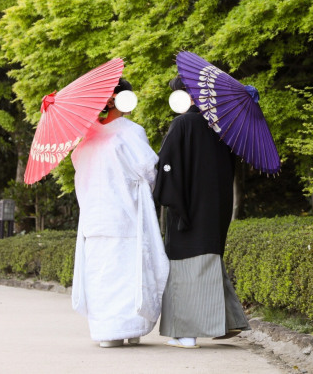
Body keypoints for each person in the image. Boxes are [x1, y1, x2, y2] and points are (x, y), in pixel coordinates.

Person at [152, 76, 251, 349]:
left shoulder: (183, 124)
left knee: (187, 268)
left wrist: (164, 191)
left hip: (189, 209)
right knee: (209, 260)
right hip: (215, 209)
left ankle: (186, 333)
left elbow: (167, 166)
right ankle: (229, 320)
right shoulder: (223, 126)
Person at [70, 78, 169, 348]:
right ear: (116, 99)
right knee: (129, 272)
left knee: (100, 273)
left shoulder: (86, 136)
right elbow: (148, 169)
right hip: (125, 213)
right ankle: (132, 329)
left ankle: (107, 333)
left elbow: (81, 171)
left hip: (95, 215)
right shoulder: (131, 131)